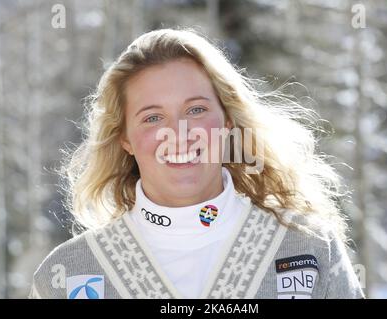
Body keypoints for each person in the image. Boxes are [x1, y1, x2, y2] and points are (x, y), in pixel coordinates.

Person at [29, 28, 364, 299]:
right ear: (125, 139)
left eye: (196, 110)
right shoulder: (66, 274)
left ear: (227, 121)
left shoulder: (308, 246)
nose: (179, 133)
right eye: (153, 117)